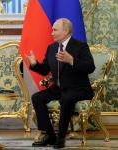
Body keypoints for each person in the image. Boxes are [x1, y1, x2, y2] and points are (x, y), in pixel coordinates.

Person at [26, 18, 95, 149]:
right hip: (59, 88)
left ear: (65, 31)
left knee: (67, 98)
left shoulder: (80, 46)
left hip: (78, 88)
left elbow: (90, 67)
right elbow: (45, 69)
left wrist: (72, 60)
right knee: (37, 97)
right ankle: (50, 135)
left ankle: (61, 137)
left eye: (54, 30)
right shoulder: (52, 48)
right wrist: (34, 64)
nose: (51, 32)